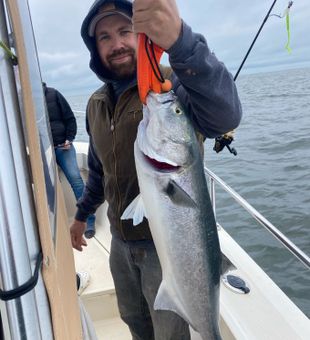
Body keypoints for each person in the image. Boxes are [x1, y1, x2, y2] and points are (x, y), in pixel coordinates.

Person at [70, 0, 242, 339]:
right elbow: (98, 168)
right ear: (95, 48)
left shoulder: (172, 86)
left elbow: (225, 115)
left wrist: (181, 43)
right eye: (104, 37)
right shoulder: (97, 104)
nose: (116, 44)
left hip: (167, 249)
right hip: (120, 244)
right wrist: (81, 215)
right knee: (135, 323)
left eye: (124, 31)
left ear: (141, 33)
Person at [43, 83, 96, 239]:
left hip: (63, 147)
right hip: (44, 152)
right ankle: (53, 227)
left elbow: (70, 118)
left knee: (76, 180)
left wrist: (69, 139)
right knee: (46, 187)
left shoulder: (53, 94)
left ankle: (89, 220)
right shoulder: (25, 101)